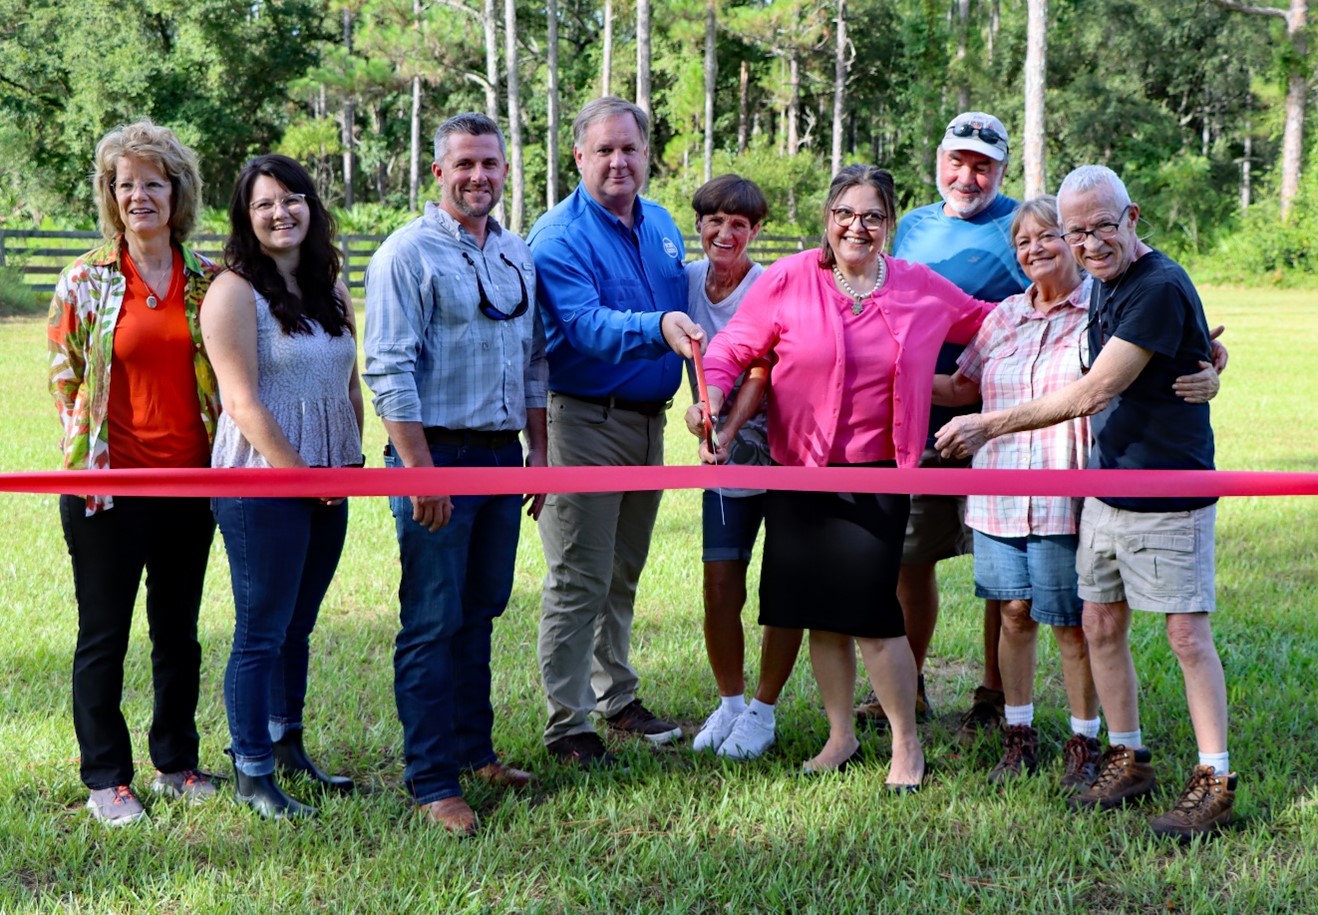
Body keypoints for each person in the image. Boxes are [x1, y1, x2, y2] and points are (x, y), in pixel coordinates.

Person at [936, 165, 1236, 840]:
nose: (1091, 242)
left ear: (1133, 216)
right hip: (1106, 487)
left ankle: (1216, 778)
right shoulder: (1104, 281)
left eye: (1103, 225)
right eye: (1078, 231)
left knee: (1187, 634)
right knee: (1100, 622)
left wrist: (991, 423)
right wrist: (1210, 355)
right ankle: (1128, 758)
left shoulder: (1156, 284)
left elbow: (1094, 390)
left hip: (1169, 490)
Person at [697, 164, 997, 788]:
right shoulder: (789, 278)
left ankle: (906, 745)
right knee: (817, 610)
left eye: (871, 216)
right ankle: (841, 736)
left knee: (870, 612)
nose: (855, 226)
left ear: (889, 224)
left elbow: (995, 323)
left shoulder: (919, 288)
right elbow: (735, 348)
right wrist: (712, 394)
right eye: (844, 213)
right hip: (797, 472)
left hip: (879, 475)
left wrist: (1080, 306)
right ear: (828, 217)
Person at [363, 113, 546, 835]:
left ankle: (476, 752)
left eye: (491, 164)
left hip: (503, 457)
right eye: (464, 163)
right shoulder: (405, 255)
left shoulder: (515, 252)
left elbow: (534, 357)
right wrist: (420, 471)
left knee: (482, 608)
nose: (479, 176)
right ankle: (433, 779)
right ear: (438, 171)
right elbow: (387, 368)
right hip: (434, 455)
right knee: (433, 619)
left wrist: (541, 453)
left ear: (506, 172)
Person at [48, 120, 221, 826]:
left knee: (178, 631)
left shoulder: (209, 280)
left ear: (176, 192)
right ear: (110, 196)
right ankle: (106, 779)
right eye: (126, 185)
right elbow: (64, 380)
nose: (139, 196)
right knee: (104, 633)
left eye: (153, 183)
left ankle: (176, 762)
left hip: (191, 486)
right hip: (108, 492)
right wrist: (89, 458)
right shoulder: (85, 278)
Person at [529, 96, 704, 766]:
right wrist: (655, 329)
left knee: (622, 572)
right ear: (578, 156)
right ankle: (568, 722)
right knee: (579, 576)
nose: (617, 161)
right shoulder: (560, 236)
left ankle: (616, 695)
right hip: (583, 421)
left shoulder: (660, 224)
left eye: (629, 148)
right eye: (603, 150)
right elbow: (586, 326)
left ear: (645, 152)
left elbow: (688, 319)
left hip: (648, 425)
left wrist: (700, 405)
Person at [854, 111, 1026, 740]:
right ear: (939, 161)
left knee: (1001, 562)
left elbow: (1090, 288)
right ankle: (910, 684)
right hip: (922, 420)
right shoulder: (914, 226)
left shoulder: (1023, 225)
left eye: (982, 165)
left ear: (1002, 171)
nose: (968, 175)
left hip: (1003, 420)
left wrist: (1194, 344)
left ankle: (993, 690)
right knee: (910, 557)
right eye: (958, 161)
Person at [202, 154, 363, 819]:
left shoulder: (331, 284)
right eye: (265, 203)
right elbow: (240, 402)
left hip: (331, 480)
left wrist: (345, 465)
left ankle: (290, 745)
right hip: (260, 482)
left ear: (311, 206)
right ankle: (252, 771)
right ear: (246, 216)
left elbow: (347, 385)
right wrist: (303, 478)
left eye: (292, 198)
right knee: (261, 631)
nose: (281, 212)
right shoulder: (234, 292)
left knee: (298, 626)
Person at [679, 175, 802, 761]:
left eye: (739, 224)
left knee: (783, 587)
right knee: (720, 583)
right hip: (720, 457)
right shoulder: (684, 282)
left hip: (783, 452)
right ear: (699, 224)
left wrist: (725, 429)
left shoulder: (769, 284)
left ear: (756, 231)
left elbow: (760, 367)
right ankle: (729, 703)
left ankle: (763, 710)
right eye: (714, 221)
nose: (725, 233)